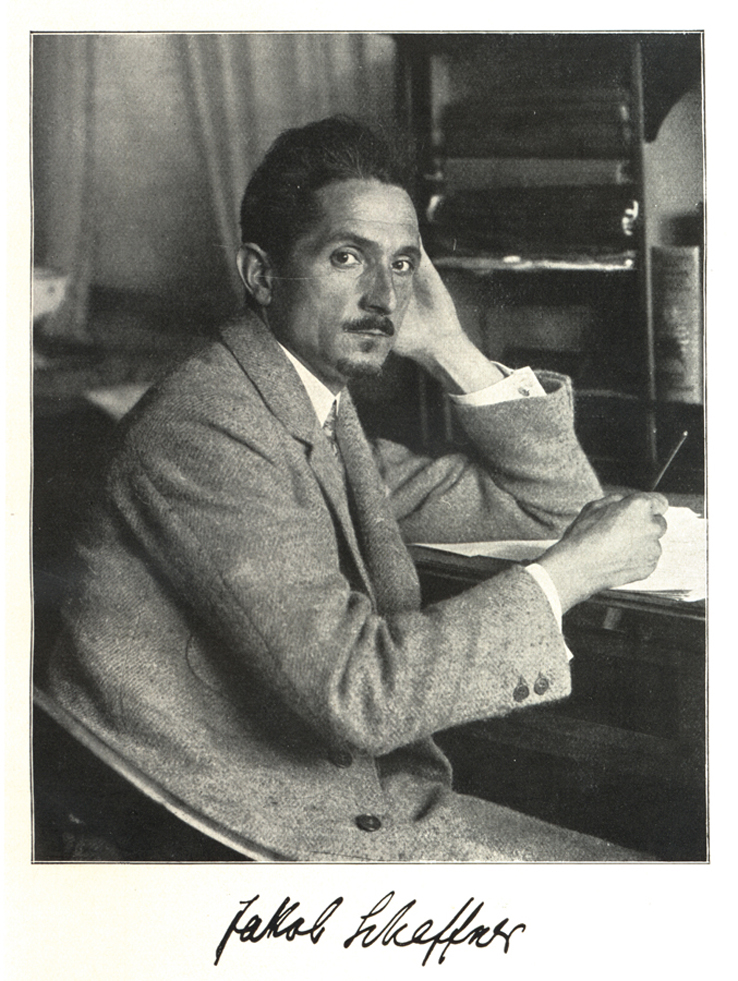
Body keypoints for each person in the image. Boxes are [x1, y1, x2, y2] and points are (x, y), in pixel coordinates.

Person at [42, 116, 668, 862]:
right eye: (347, 257)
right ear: (261, 275)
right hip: (218, 824)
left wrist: (448, 347)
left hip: (330, 797)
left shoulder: (308, 406)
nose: (383, 296)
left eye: (402, 265)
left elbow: (551, 507)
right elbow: (358, 694)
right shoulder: (208, 427)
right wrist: (570, 574)